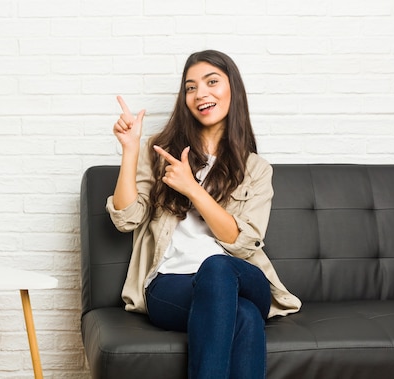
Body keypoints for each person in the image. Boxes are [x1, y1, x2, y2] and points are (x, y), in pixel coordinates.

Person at [106, 50, 302, 379]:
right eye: (191, 87)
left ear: (232, 90)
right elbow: (126, 218)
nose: (201, 94)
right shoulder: (159, 153)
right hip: (170, 285)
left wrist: (193, 189)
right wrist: (130, 149)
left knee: (218, 267)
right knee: (245, 318)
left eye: (212, 82)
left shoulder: (255, 169)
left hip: (240, 276)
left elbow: (243, 242)